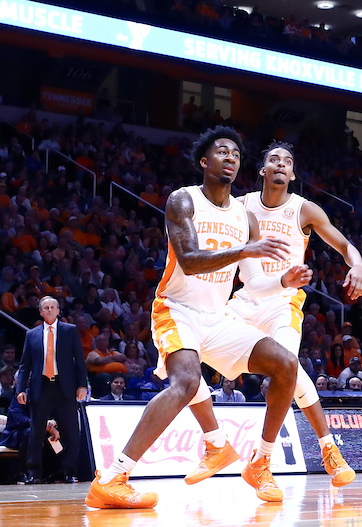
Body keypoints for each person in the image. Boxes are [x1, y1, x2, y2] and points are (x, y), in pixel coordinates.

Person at [86, 127, 300, 508]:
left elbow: (253, 281)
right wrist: (245, 250)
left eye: (236, 153)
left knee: (286, 364)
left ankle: (261, 461)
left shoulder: (244, 215)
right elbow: (189, 259)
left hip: (217, 317)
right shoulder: (183, 200)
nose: (231, 157)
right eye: (222, 151)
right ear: (205, 161)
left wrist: (283, 279)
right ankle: (113, 477)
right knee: (185, 382)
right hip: (176, 309)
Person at [230, 140, 361, 486]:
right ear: (263, 170)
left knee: (286, 367)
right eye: (273, 159)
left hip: (284, 303)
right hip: (246, 298)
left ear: (292, 173)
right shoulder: (241, 205)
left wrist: (358, 265)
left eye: (287, 161)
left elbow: (344, 245)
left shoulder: (304, 210)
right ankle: (215, 444)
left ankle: (300, 454)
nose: (280, 164)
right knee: (192, 350)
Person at [15, 295, 87, 484]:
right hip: (41, 387)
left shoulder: (69, 331)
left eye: (52, 307)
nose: (48, 310)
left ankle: (69, 472)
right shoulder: (32, 334)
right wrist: (21, 389)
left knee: (71, 431)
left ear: (58, 310)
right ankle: (34, 473)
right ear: (40, 312)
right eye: (45, 308)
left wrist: (82, 385)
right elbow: (25, 365)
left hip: (65, 386)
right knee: (36, 432)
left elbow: (79, 360)